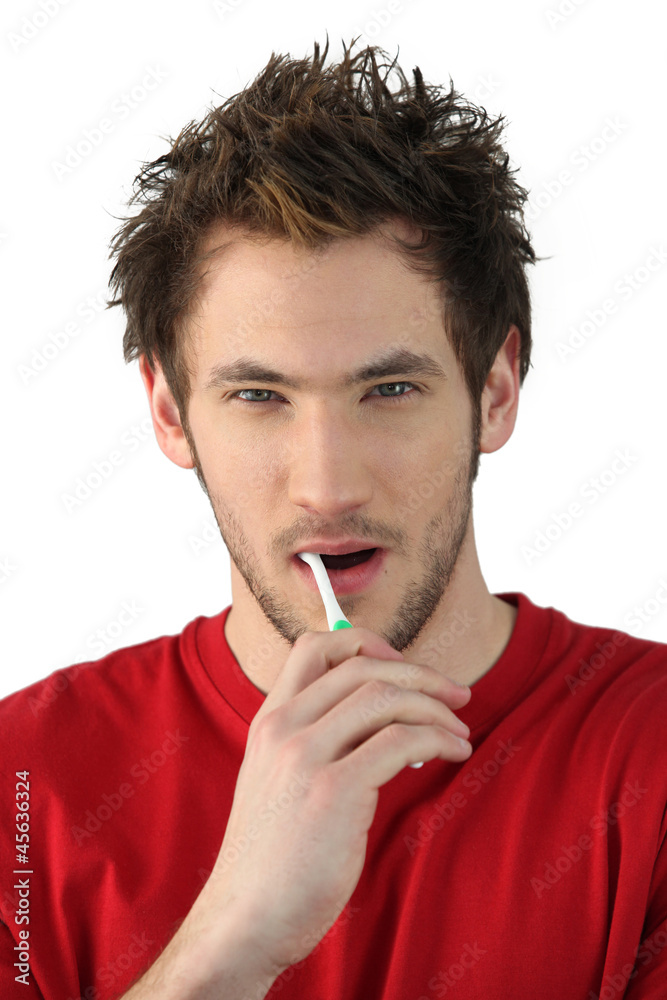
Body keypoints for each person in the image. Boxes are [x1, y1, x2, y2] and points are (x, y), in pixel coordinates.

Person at [1, 34, 665, 1000]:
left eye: (388, 389)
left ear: (495, 390)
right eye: (259, 397)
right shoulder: (23, 785)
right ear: (168, 413)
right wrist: (228, 940)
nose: (325, 487)